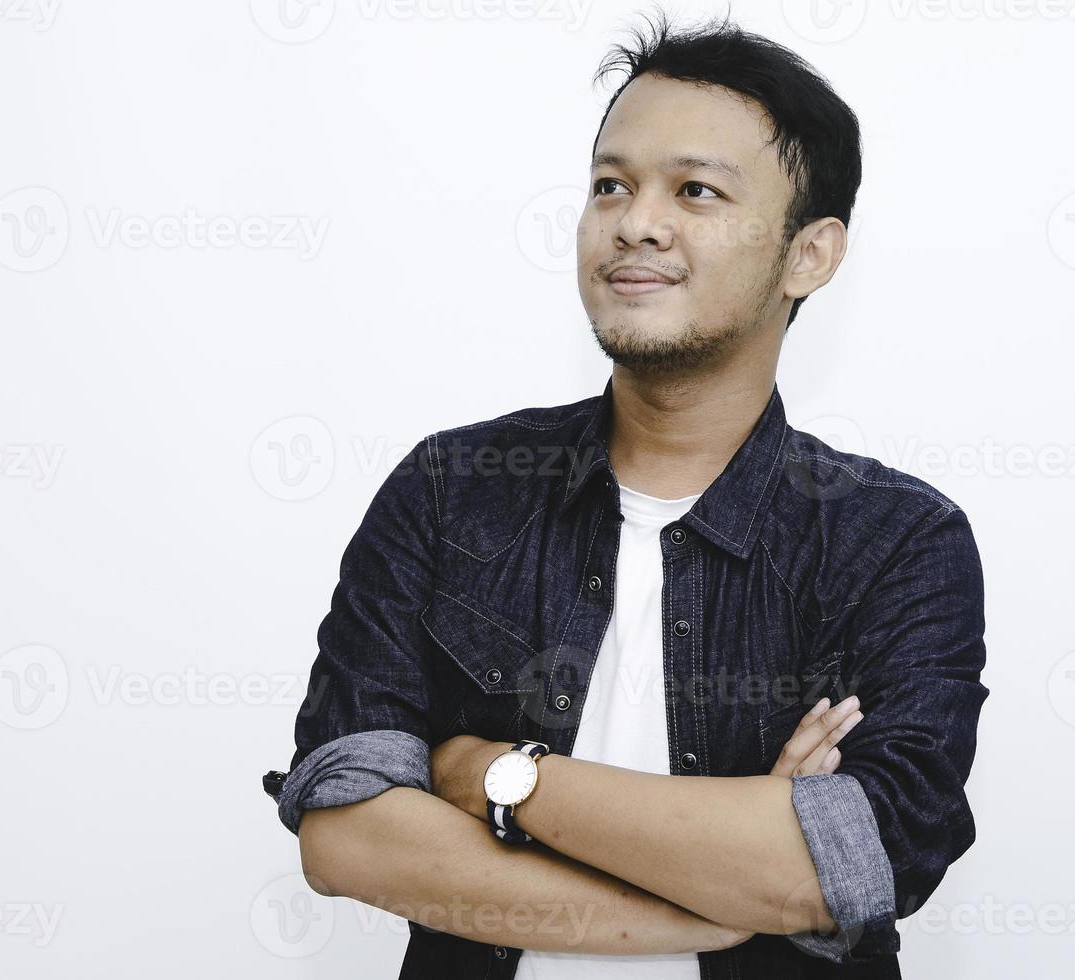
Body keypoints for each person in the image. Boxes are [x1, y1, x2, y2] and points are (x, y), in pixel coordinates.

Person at [264, 9, 987, 978]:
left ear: (809, 253)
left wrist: (493, 773)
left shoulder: (894, 540)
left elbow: (846, 862)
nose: (635, 221)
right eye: (611, 183)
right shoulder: (450, 490)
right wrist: (718, 899)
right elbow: (345, 835)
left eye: (694, 190)